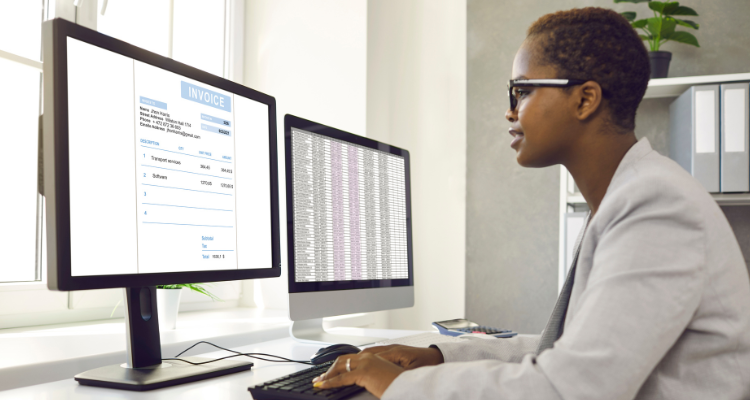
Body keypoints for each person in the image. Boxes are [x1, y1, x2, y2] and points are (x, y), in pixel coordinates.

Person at [312, 7, 750, 399]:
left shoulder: (656, 207)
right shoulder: (630, 194)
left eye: (521, 91)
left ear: (584, 99)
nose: (510, 111)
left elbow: (571, 388)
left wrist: (398, 385)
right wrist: (438, 355)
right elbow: (560, 350)